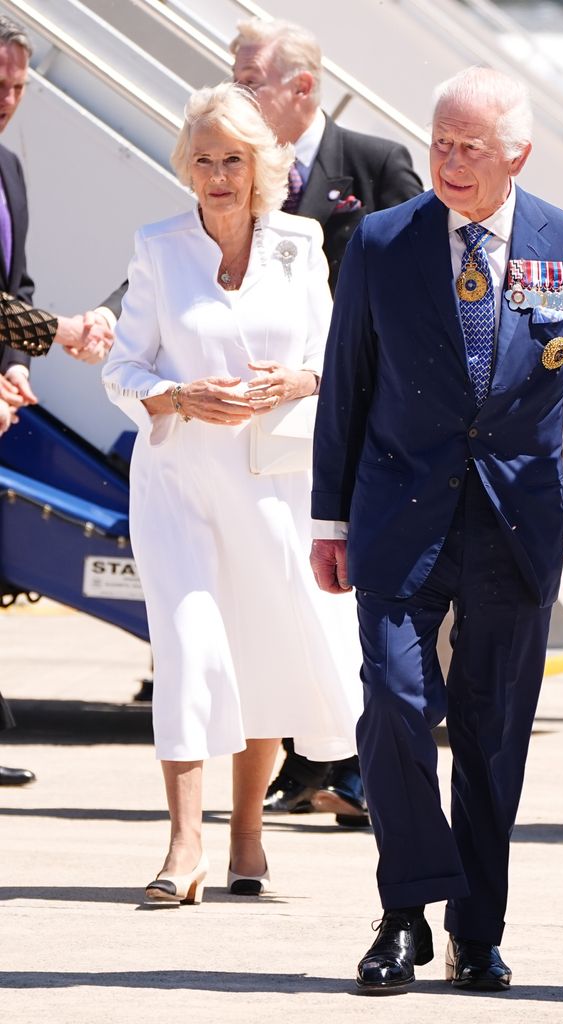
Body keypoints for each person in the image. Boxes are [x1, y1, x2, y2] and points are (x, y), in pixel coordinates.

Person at [311, 66, 563, 993]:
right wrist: (329, 518)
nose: (448, 161)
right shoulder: (380, 242)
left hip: (516, 522)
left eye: (469, 148)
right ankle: (403, 914)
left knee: (493, 734)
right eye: (440, 143)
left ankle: (475, 930)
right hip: (398, 513)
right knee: (398, 707)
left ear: (515, 155)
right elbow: (347, 387)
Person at [102, 82, 362, 904]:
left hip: (274, 486)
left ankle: (246, 835)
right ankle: (184, 846)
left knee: (259, 656)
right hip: (180, 483)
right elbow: (122, 368)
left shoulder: (300, 242)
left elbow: (336, 361)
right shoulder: (157, 244)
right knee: (188, 647)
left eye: (234, 160)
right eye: (205, 159)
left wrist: (299, 379)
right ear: (188, 167)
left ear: (263, 166)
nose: (218, 175)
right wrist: (179, 395)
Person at [228, 15, 424, 825]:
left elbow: (423, 289)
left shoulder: (373, 166)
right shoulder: (238, 171)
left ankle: (362, 765)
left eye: (248, 78)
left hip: (367, 422)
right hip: (276, 432)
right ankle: (315, 759)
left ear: (299, 88)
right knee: (295, 592)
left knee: (359, 595)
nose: (235, 90)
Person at [0, 15, 112, 786]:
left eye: (17, 85)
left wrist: (11, 366)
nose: (8, 99)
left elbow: (17, 286)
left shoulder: (8, 164)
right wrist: (62, 332)